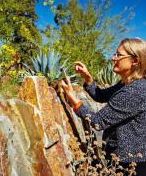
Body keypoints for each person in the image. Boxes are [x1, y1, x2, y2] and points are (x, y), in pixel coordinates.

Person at [60, 38, 146, 175]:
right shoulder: (128, 84)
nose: (113, 58)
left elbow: (97, 122)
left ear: (135, 61)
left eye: (119, 55)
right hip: (124, 159)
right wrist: (88, 79)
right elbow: (102, 95)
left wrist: (73, 99)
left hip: (130, 165)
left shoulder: (134, 91)